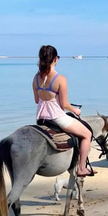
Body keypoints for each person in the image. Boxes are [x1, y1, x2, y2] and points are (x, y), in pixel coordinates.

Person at [33, 45, 94, 177]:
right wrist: (75, 110)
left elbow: (37, 100)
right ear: (55, 59)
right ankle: (82, 168)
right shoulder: (60, 79)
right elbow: (64, 104)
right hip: (57, 118)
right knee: (87, 134)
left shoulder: (35, 78)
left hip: (41, 118)